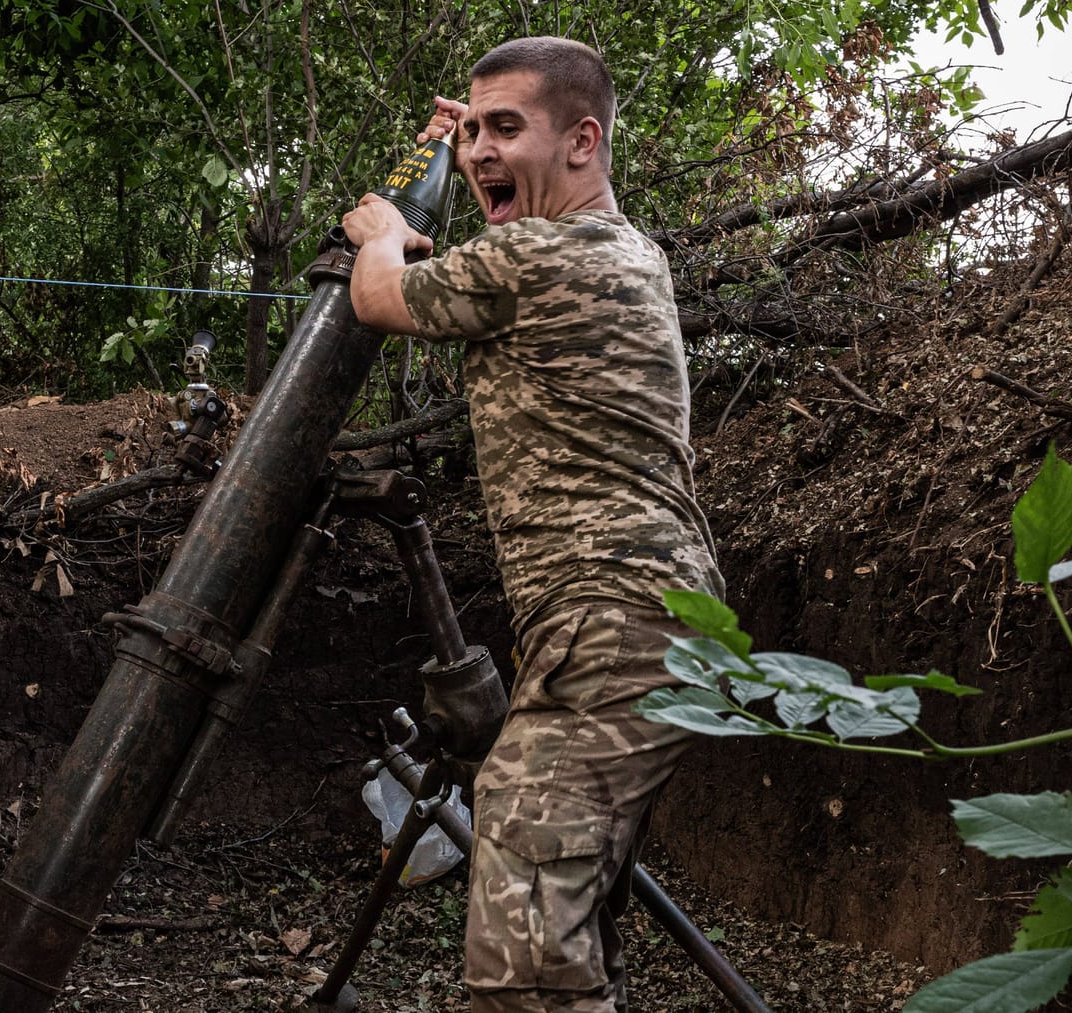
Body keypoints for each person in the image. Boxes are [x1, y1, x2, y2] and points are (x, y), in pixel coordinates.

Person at [341, 37, 726, 1013]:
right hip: (649, 614)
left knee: (524, 929)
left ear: (583, 141)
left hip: (608, 613)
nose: (477, 151)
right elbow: (465, 196)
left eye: (506, 127)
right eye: (468, 130)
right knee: (571, 906)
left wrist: (380, 226)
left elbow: (381, 291)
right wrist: (438, 148)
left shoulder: (537, 254)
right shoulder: (625, 249)